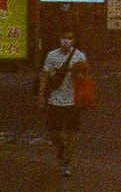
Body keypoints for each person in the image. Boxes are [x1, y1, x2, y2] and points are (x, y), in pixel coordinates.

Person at [39, 31, 92, 174]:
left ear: (74, 40)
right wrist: (41, 95)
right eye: (63, 38)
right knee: (53, 131)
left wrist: (80, 74)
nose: (65, 41)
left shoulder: (79, 56)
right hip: (55, 99)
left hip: (73, 100)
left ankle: (67, 162)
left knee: (72, 132)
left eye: (69, 38)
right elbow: (45, 76)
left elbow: (85, 76)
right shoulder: (52, 55)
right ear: (59, 39)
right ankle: (62, 147)